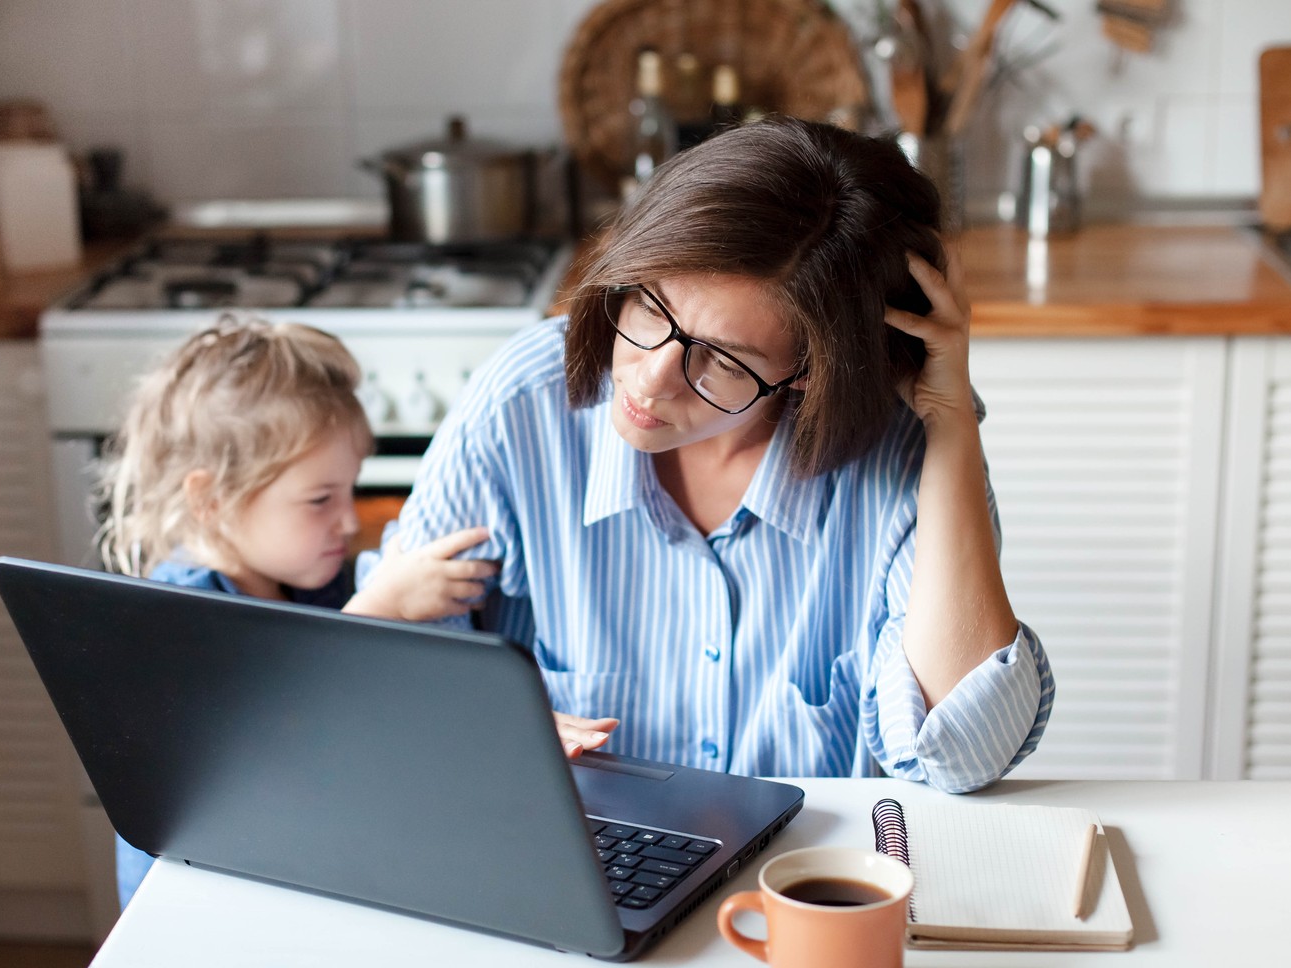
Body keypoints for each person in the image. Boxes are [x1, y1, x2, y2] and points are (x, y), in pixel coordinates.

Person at [361, 116, 1055, 794]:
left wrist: (952, 420)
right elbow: (383, 667)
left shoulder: (904, 454)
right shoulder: (524, 405)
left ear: (809, 373)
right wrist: (491, 725)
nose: (650, 378)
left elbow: (963, 755)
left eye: (720, 359)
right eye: (650, 307)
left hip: (796, 890)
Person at [95, 315, 495, 907]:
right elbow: (283, 743)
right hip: (196, 916)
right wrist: (382, 607)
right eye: (319, 500)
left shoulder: (308, 581)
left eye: (350, 490)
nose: (350, 521)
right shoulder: (180, 619)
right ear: (211, 499)